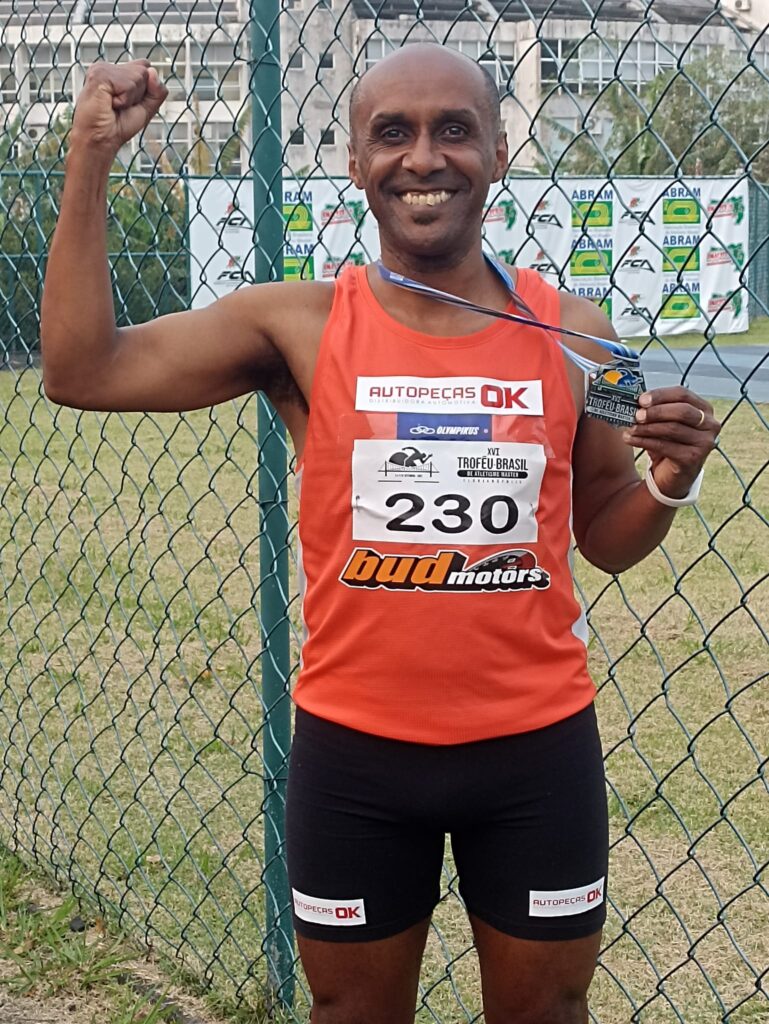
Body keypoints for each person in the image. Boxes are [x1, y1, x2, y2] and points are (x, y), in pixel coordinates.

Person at [41, 42, 719, 1024]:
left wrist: (669, 479)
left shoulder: (587, 337)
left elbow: (609, 530)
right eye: (392, 133)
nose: (424, 157)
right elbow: (81, 371)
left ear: (498, 151)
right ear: (354, 163)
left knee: (548, 1011)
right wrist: (91, 156)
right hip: (356, 757)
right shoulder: (297, 325)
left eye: (455, 130)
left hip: (535, 755)